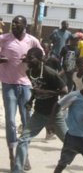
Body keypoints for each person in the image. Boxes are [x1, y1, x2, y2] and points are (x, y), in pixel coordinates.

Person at [12, 47, 68, 173]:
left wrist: (44, 92)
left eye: (31, 58)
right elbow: (36, 88)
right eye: (27, 57)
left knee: (70, 142)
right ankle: (17, 170)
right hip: (39, 113)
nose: (28, 60)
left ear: (40, 59)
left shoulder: (49, 72)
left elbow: (64, 91)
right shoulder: (29, 72)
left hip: (54, 113)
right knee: (23, 139)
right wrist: (31, 100)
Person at [0, 15, 43, 170]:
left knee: (27, 121)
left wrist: (30, 60)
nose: (13, 25)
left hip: (25, 85)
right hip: (8, 84)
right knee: (10, 121)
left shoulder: (31, 40)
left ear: (24, 25)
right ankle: (12, 154)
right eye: (13, 23)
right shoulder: (4, 38)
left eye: (17, 23)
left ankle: (24, 155)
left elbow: (41, 56)